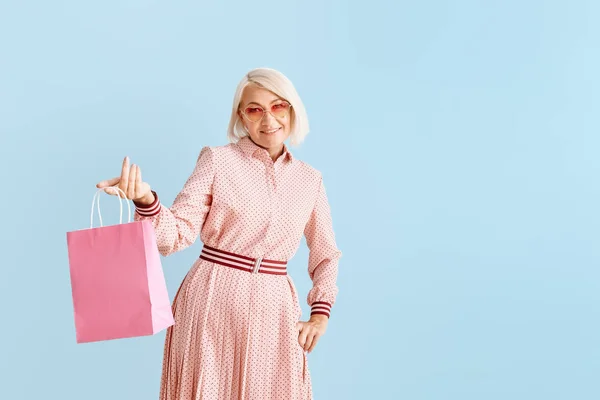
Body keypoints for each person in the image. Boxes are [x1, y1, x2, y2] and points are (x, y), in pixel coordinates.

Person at [96, 67, 342, 400]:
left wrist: (320, 315)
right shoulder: (217, 161)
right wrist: (146, 199)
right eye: (255, 109)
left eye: (278, 106)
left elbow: (326, 255)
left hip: (275, 309)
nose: (268, 119)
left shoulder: (310, 180)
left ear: (292, 109)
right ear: (241, 116)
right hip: (211, 300)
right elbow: (177, 234)